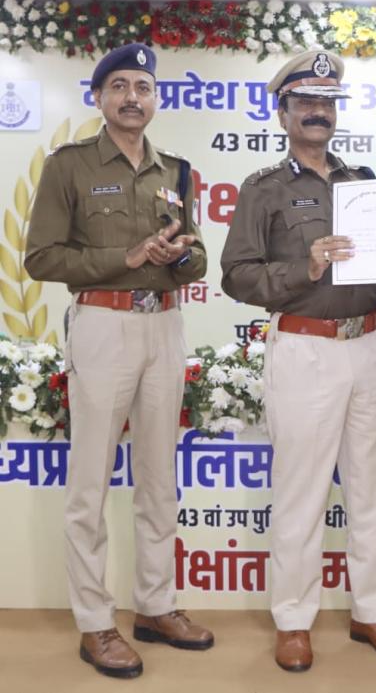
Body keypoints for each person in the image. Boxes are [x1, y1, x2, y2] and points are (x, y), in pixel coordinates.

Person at [220, 50, 376, 673]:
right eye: (305, 102)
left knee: (369, 490)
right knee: (301, 493)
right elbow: (236, 275)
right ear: (283, 113)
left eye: (327, 103)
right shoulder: (263, 189)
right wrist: (302, 268)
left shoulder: (363, 183)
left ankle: (371, 613)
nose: (317, 112)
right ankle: (293, 619)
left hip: (367, 345)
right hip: (304, 349)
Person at [25, 44, 212, 679]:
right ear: (99, 97)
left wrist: (181, 256)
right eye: (120, 86)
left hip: (164, 326)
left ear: (156, 98)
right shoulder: (70, 166)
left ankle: (155, 607)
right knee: (90, 484)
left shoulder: (177, 172)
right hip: (102, 325)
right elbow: (41, 258)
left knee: (159, 479)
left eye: (143, 87)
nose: (134, 97)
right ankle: (95, 622)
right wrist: (125, 258)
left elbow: (198, 259)